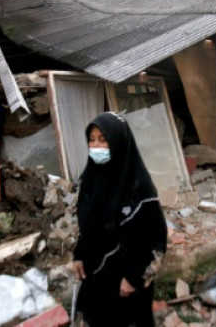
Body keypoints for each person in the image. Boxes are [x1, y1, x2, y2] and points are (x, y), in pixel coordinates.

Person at [71, 112, 167, 327]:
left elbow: (156, 240)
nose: (96, 146)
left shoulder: (139, 188)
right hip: (95, 278)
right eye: (92, 139)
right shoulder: (91, 180)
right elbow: (88, 226)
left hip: (125, 285)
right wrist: (79, 254)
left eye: (103, 140)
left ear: (119, 142)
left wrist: (134, 278)